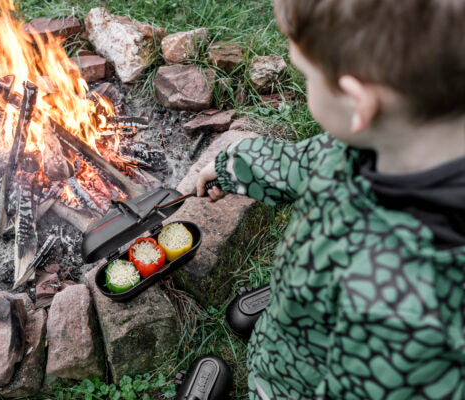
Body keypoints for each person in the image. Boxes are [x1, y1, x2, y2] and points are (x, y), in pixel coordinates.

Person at [194, 0, 465, 398]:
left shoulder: (403, 322)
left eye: (306, 74)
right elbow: (309, 161)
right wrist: (235, 166)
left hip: (298, 382)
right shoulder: (381, 143)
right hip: (312, 317)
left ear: (358, 102)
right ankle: (297, 312)